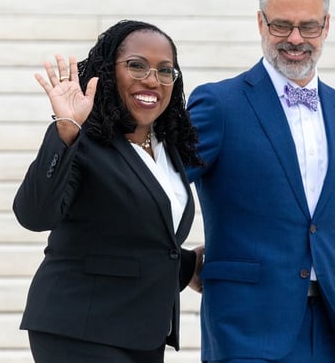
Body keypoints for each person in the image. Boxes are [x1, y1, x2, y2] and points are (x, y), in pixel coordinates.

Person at [186, 0, 335, 363]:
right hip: (244, 333)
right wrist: (178, 262)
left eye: (308, 26)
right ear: (260, 23)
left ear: (327, 26)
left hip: (333, 332)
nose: (295, 39)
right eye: (281, 25)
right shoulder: (219, 105)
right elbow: (160, 188)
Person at [13, 19, 204, 363]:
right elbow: (34, 214)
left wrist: (188, 264)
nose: (151, 79)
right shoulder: (83, 138)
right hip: (79, 329)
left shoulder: (167, 148)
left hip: (142, 333)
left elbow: (132, 233)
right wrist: (66, 129)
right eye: (136, 65)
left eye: (165, 71)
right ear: (108, 71)